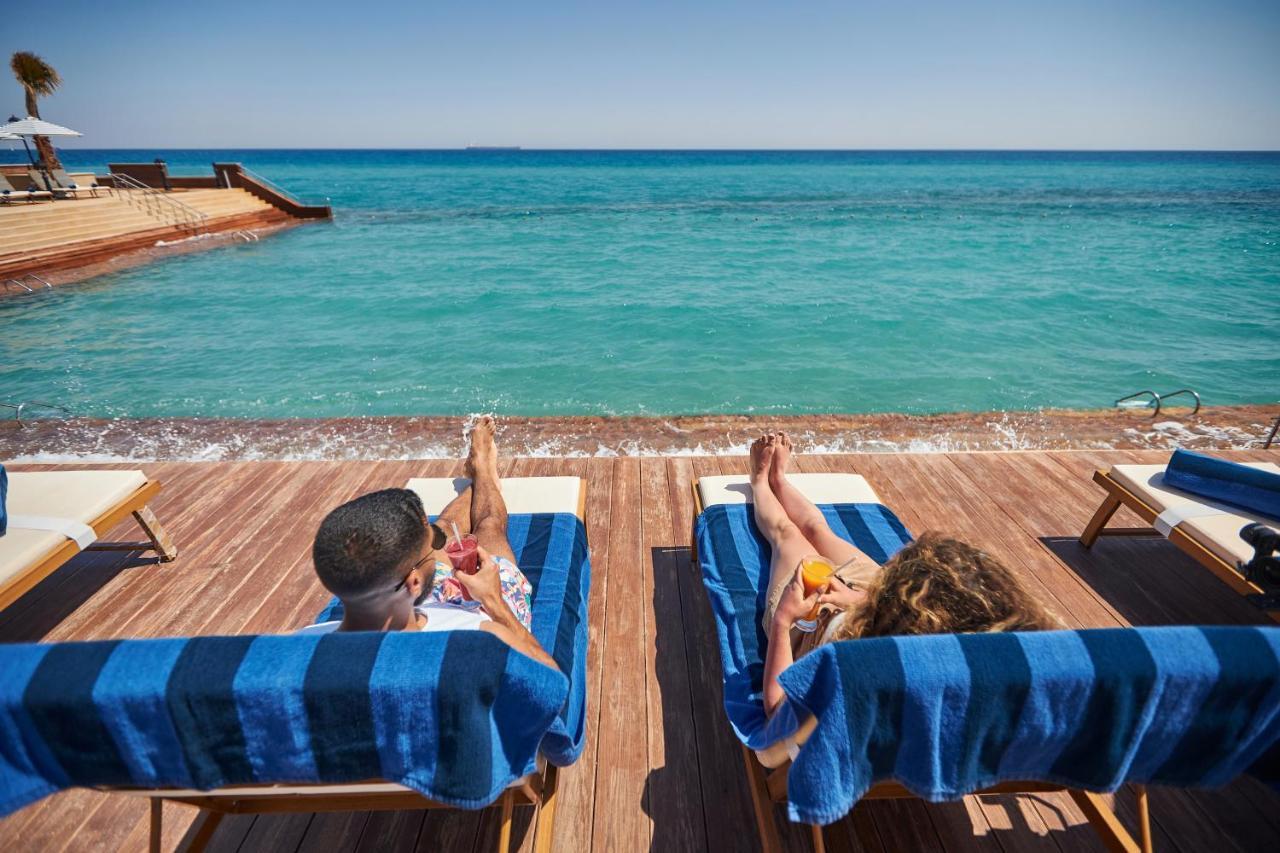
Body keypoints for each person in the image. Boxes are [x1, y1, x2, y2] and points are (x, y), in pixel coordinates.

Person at [750, 432, 1057, 715]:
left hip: (811, 624)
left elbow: (778, 712)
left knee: (788, 534)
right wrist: (865, 599)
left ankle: (761, 482)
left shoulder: (854, 670)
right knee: (818, 529)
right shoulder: (960, 658)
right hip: (872, 597)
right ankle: (781, 480)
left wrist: (782, 621)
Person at [301, 416, 556, 672]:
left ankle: (480, 477)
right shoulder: (479, 637)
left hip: (400, 601)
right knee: (489, 526)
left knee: (443, 528)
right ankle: (485, 475)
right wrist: (493, 601)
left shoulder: (299, 645)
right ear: (414, 582)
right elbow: (551, 682)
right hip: (481, 601)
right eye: (430, 553)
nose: (437, 552)